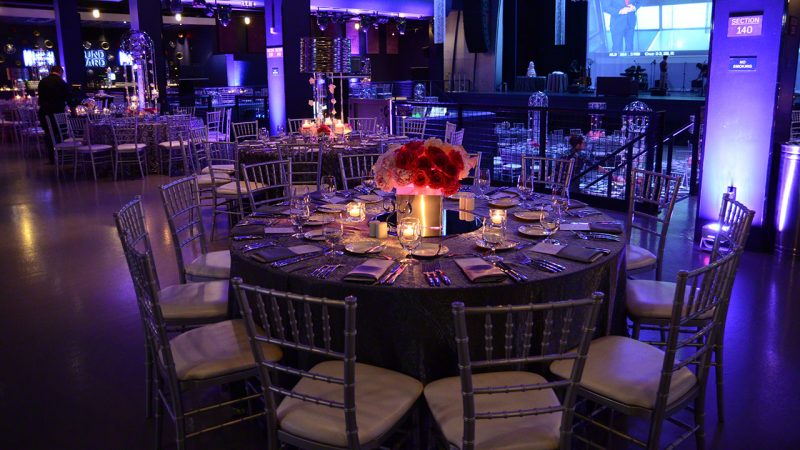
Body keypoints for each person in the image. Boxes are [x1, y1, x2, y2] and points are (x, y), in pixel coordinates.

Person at [38, 66, 71, 164]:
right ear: (60, 72)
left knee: (49, 135)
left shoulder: (43, 81)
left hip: (44, 112)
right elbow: (67, 97)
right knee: (61, 133)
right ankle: (62, 156)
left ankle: (52, 158)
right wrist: (72, 109)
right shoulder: (60, 82)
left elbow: (40, 99)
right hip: (58, 112)